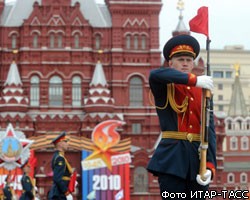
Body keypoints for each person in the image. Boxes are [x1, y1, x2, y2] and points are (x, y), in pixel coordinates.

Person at [147, 34, 216, 200]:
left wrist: (209, 166)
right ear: (170, 63)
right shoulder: (165, 86)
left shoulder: (203, 91)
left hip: (197, 160)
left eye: (188, 59)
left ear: (193, 63)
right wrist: (194, 80)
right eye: (180, 59)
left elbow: (210, 130)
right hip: (173, 160)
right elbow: (155, 75)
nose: (185, 63)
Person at [48, 132, 74, 200]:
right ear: (60, 144)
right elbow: (57, 178)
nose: (67, 144)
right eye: (65, 141)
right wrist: (66, 192)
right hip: (60, 194)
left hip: (60, 193)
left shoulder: (59, 156)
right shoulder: (60, 158)